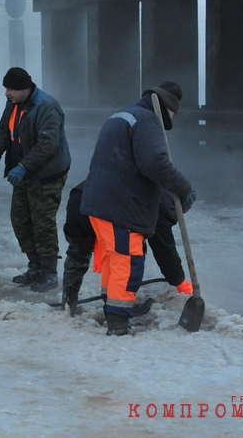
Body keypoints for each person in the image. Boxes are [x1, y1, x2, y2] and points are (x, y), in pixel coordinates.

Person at [80, 81, 193, 336]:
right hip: (122, 206)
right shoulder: (146, 120)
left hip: (101, 201)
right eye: (173, 115)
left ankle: (113, 310)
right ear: (168, 109)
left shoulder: (124, 115)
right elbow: (154, 163)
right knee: (128, 263)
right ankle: (118, 324)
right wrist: (183, 187)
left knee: (113, 261)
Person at [0, 67, 71, 292]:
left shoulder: (46, 106)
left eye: (10, 89)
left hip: (46, 174)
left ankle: (49, 273)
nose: (6, 93)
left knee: (42, 221)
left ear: (24, 88)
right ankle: (35, 266)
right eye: (6, 88)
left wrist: (22, 166)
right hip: (24, 172)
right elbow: (5, 130)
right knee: (20, 219)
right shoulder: (14, 104)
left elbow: (47, 144)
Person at [61, 181, 197, 317]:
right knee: (130, 254)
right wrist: (179, 281)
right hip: (104, 205)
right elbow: (163, 248)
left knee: (77, 254)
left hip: (79, 197)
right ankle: (119, 309)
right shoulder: (163, 205)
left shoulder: (155, 186)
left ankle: (68, 306)